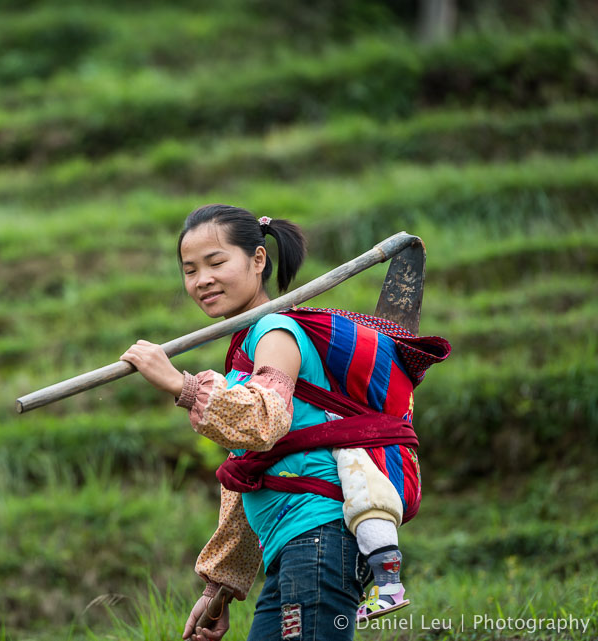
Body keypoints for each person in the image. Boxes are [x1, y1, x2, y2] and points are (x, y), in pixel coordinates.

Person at [119, 204, 409, 641]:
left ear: (258, 259)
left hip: (317, 538)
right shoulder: (244, 353)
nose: (202, 280)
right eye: (190, 270)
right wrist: (219, 588)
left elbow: (263, 419)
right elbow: (251, 469)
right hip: (292, 549)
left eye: (216, 263)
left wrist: (182, 385)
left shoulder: (274, 331)